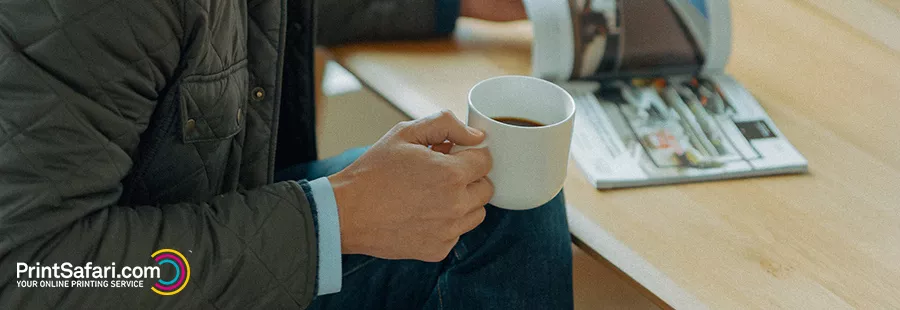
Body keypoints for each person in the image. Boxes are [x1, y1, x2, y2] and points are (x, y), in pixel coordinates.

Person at [0, 0, 573, 308]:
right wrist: (336, 218)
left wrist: (455, 2)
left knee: (502, 195)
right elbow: (34, 273)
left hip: (228, 239)